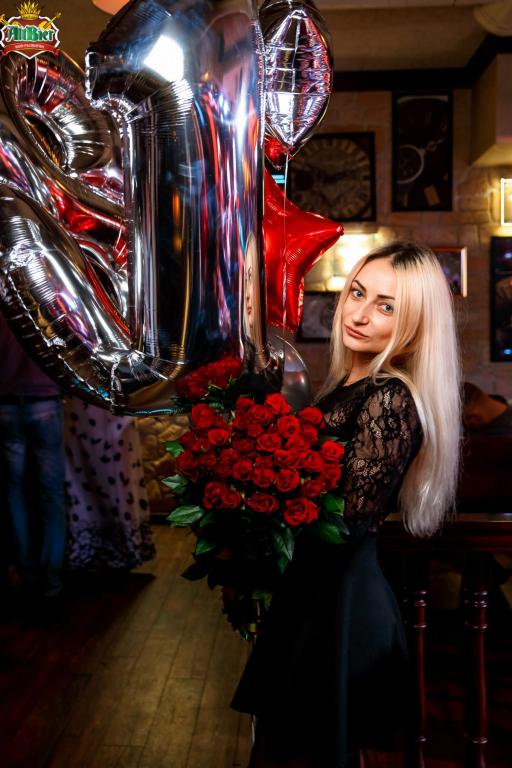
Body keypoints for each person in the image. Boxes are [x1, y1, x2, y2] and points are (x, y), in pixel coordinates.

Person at [231, 242, 461, 767]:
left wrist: (253, 522)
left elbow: (344, 522)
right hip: (316, 596)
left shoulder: (390, 396)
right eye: (357, 293)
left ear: (415, 323)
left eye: (386, 306)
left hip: (340, 604)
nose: (359, 314)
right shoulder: (348, 384)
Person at [0, 312, 66, 599]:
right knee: (52, 494)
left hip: (5, 403)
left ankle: (25, 571)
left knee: (13, 492)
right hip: (45, 401)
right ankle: (51, 578)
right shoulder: (44, 301)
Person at [64, 397, 155, 571]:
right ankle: (103, 548)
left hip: (112, 410)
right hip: (87, 408)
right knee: (85, 477)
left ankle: (120, 547)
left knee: (116, 481)